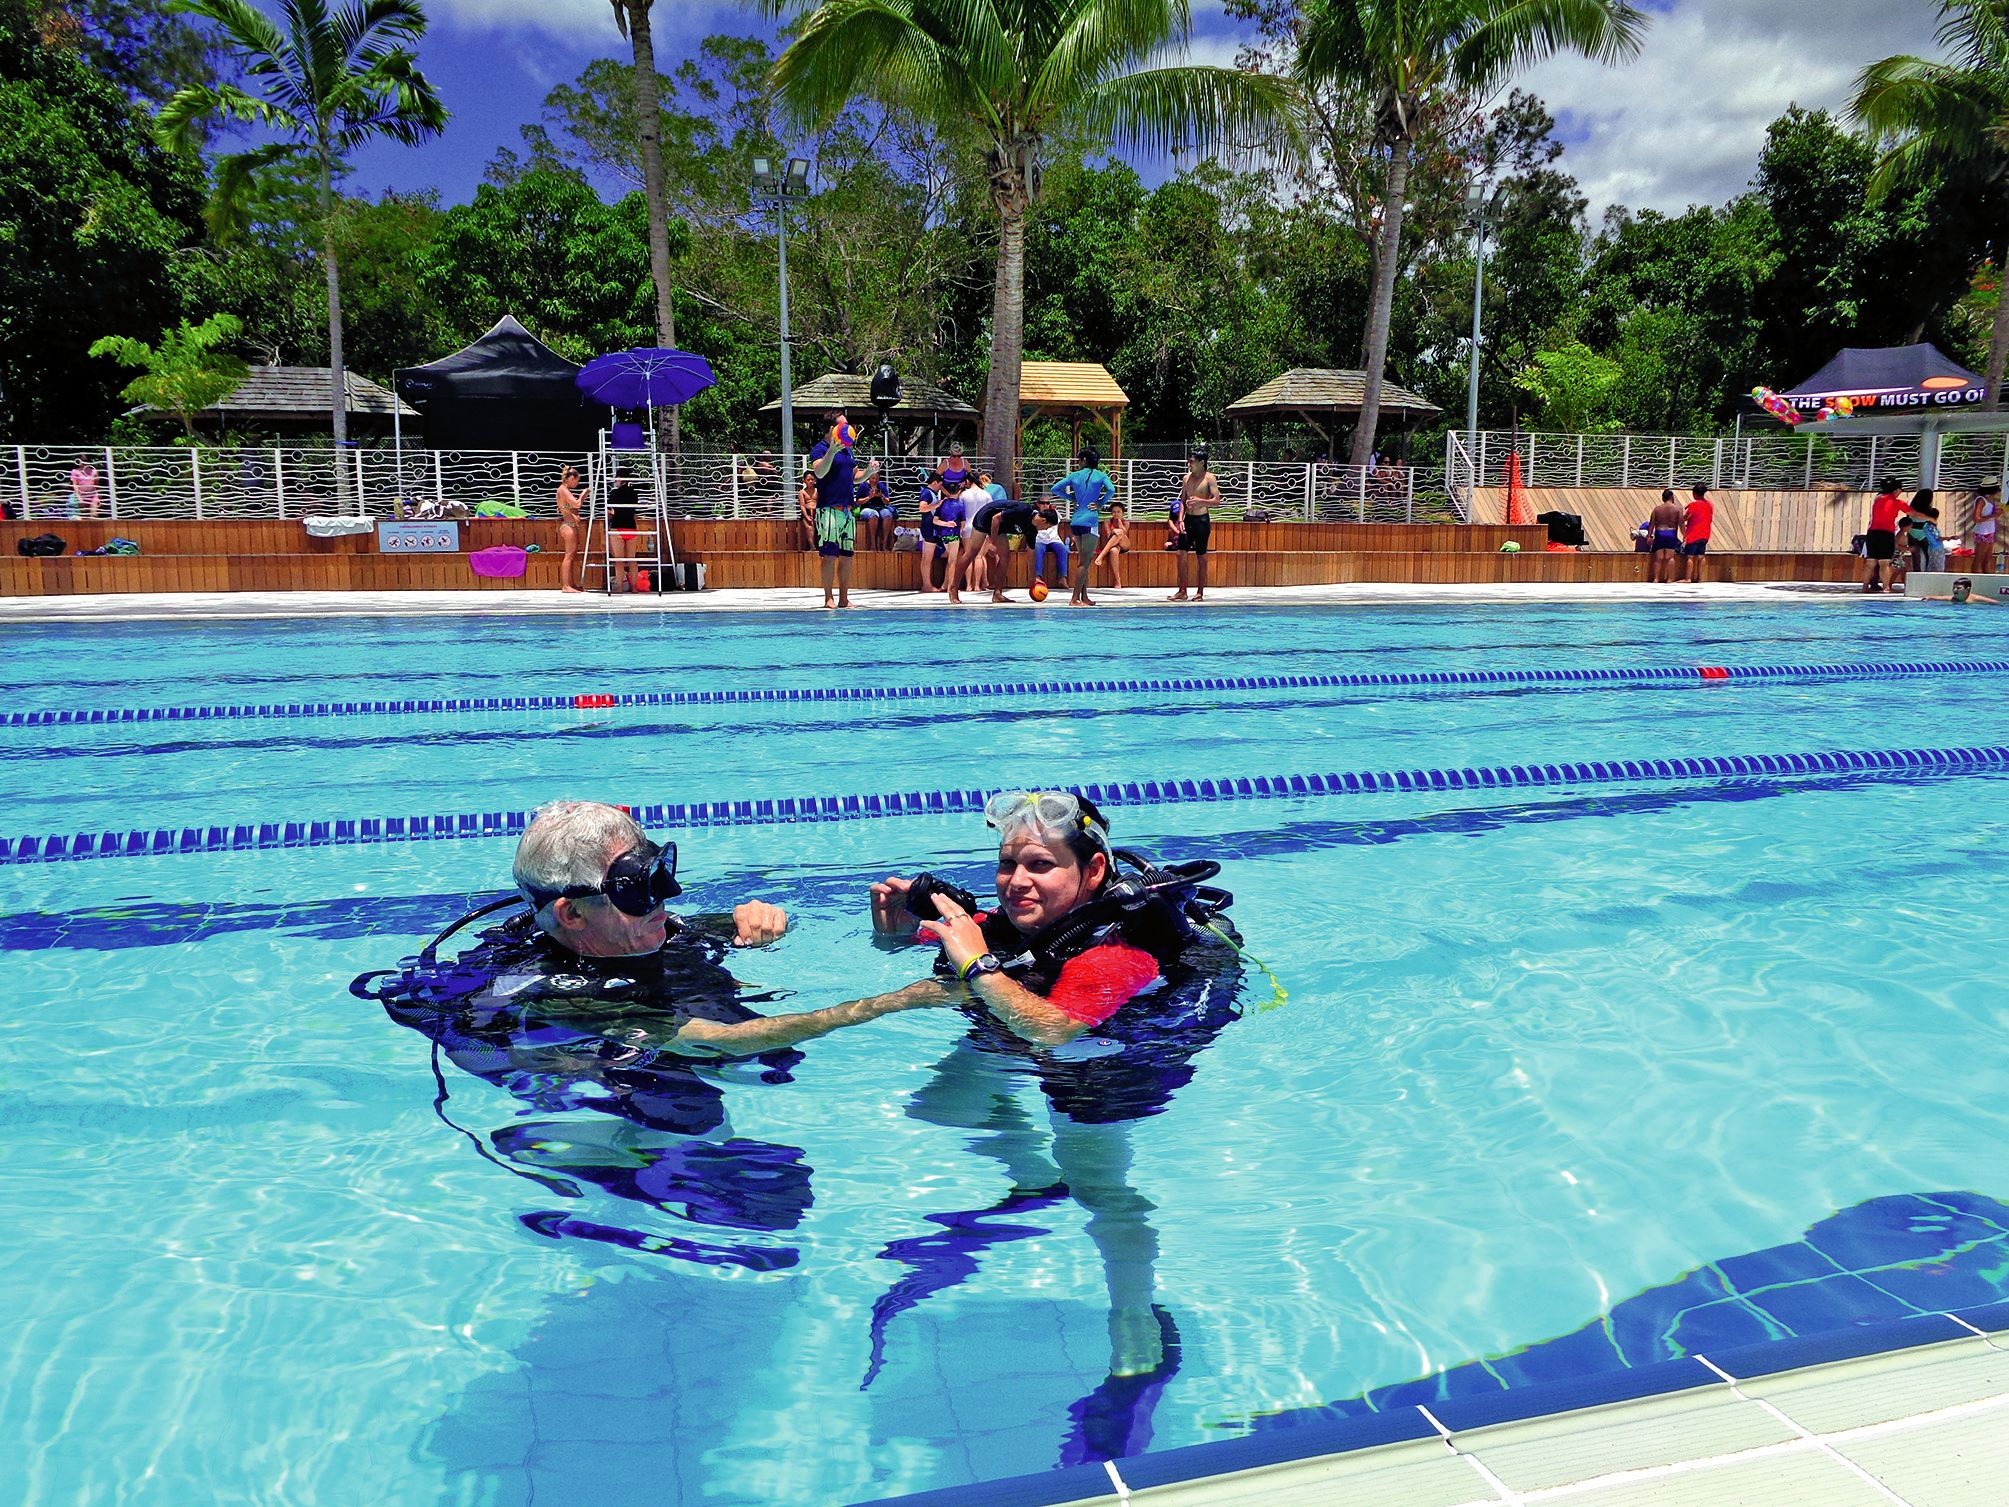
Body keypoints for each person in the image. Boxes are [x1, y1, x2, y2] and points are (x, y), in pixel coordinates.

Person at [354, 801, 948, 1270]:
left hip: (646, 1022)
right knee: (729, 1158)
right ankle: (609, 1185)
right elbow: (718, 1042)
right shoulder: (553, 990)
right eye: (640, 890)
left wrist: (757, 920)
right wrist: (893, 1002)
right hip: (567, 1060)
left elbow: (717, 949)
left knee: (769, 1070)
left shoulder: (639, 929)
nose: (666, 900)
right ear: (570, 913)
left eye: (662, 874)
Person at [859, 792, 1246, 1425]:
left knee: (1098, 1183)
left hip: (1124, 1043)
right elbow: (981, 949)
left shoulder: (1117, 948)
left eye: (1039, 865)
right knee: (946, 1105)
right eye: (1007, 863)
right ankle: (1038, 1180)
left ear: (1091, 873)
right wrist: (895, 938)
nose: (1016, 882)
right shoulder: (1030, 918)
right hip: (1054, 1011)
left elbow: (1057, 1031)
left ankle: (1135, 1319)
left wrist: (977, 964)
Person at [956, 490, 1052, 604]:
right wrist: (992, 543)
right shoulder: (1022, 510)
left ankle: (997, 594)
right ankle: (953, 590)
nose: (1046, 530)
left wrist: (1033, 578)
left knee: (1005, 557)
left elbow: (1031, 554)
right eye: (1047, 527)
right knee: (971, 553)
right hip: (985, 518)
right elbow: (995, 518)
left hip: (1000, 527)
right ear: (1043, 520)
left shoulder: (1032, 530)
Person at [1051, 446, 1115, 606]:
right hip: (1090, 521)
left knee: (1083, 561)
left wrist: (1071, 498)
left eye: (1079, 460)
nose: (1078, 463)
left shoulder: (1074, 476)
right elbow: (1111, 489)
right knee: (1084, 563)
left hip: (1076, 520)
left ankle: (1084, 596)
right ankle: (1074, 599)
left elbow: (1055, 489)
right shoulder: (1100, 475)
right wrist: (1100, 503)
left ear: (1084, 460)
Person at [810, 410, 859, 607]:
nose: (848, 427)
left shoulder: (847, 450)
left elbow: (855, 477)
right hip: (828, 509)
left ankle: (844, 599)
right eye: (843, 424)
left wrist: (870, 472)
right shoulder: (820, 449)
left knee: (847, 556)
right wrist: (831, 451)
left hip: (847, 510)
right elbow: (819, 473)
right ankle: (828, 598)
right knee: (829, 554)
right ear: (832, 428)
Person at [1169, 449, 1218, 602]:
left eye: (1191, 461)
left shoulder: (1210, 479)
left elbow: (1217, 501)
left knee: (1201, 556)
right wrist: (1181, 520)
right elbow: (1183, 500)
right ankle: (1182, 590)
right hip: (1188, 520)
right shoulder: (1186, 478)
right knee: (1180, 553)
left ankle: (1200, 592)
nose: (1189, 464)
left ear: (1201, 463)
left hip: (1202, 521)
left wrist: (1201, 501)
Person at [1864, 476, 1907, 593]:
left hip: (1872, 532)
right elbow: (1912, 512)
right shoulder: (1897, 502)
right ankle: (1886, 587)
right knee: (1884, 562)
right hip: (1886, 533)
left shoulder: (1878, 499)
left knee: (1870, 562)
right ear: (1897, 490)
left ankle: (1864, 587)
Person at [605, 469, 642, 593]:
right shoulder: (634, 493)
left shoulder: (615, 493)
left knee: (619, 561)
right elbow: (634, 512)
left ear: (620, 478)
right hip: (631, 528)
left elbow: (611, 511)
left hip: (618, 527)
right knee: (632, 560)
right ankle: (635, 587)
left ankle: (619, 587)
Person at [556, 464, 590, 593]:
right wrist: (582, 494)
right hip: (568, 526)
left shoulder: (565, 490)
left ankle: (571, 583)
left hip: (572, 526)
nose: (577, 483)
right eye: (577, 480)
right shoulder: (563, 490)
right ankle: (565, 585)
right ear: (571, 478)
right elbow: (577, 504)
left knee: (572, 555)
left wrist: (584, 496)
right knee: (569, 555)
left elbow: (575, 506)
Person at [1093, 498, 1133, 588]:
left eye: (1118, 512)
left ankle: (1101, 556)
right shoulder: (1107, 522)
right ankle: (1117, 580)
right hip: (1113, 544)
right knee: (1113, 551)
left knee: (1119, 533)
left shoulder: (1126, 522)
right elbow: (1108, 535)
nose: (1116, 514)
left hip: (1124, 544)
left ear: (1123, 513)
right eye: (1114, 512)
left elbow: (1124, 533)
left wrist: (1119, 524)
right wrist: (1113, 530)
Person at [855, 460, 893, 551]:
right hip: (867, 508)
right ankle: (873, 544)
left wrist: (881, 496)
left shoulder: (882, 486)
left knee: (888, 514)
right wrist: (869, 497)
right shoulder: (863, 486)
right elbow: (858, 501)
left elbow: (888, 502)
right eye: (873, 478)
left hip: (880, 507)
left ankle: (884, 544)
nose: (875, 480)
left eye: (876, 478)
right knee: (873, 514)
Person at [1647, 488, 1684, 584]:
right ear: (1672, 497)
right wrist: (1685, 535)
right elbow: (1681, 524)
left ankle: (1656, 579)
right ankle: (1670, 579)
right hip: (1671, 533)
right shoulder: (1677, 509)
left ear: (1663, 498)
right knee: (1670, 557)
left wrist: (1649, 536)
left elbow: (1651, 524)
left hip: (1659, 533)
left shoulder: (1657, 509)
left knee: (1658, 558)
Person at [1681, 483, 1714, 583]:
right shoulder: (1709, 505)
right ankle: (1700, 578)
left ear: (1695, 494)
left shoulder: (1694, 505)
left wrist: (1684, 508)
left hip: (1694, 534)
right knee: (1701, 556)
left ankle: (1688, 578)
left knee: (1689, 556)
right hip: (1705, 534)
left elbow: (1685, 518)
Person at [1970, 477, 2000, 575]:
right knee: (1979, 559)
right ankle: (1976, 580)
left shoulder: (1989, 500)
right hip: (1982, 532)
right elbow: (1976, 518)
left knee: (1988, 558)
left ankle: (1987, 579)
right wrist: (1993, 516)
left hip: (1989, 531)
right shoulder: (1981, 500)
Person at [1032, 509, 1069, 589]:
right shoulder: (1036, 515)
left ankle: (1062, 578)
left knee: (1063, 549)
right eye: (1042, 502)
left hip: (1054, 540)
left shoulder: (1054, 514)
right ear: (1038, 504)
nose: (1045, 504)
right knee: (1038, 550)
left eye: (1047, 502)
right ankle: (1038, 577)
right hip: (1039, 540)